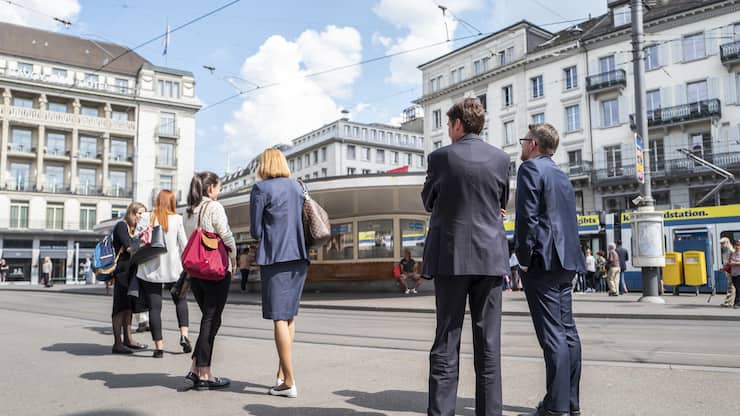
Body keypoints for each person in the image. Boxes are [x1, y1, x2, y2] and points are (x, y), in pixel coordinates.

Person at [422, 98, 510, 416]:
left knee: (446, 339)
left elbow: (428, 200)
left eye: (448, 124)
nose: (447, 130)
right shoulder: (501, 159)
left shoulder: (440, 158)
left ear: (458, 123)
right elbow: (501, 202)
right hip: (490, 259)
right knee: (488, 344)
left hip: (452, 258)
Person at [514, 123, 584, 416]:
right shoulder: (560, 173)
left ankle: (556, 407)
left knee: (552, 334)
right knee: (567, 331)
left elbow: (527, 219)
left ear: (533, 144)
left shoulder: (530, 169)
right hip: (567, 261)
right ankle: (569, 402)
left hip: (542, 261)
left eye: (523, 140)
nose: (521, 145)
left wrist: (523, 258)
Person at [250, 148, 310, 398]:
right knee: (289, 317)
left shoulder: (260, 189)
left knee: (278, 318)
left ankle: (289, 383)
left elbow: (255, 230)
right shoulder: (297, 187)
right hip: (299, 257)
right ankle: (282, 374)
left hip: (275, 257)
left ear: (264, 165)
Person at [184, 171, 237, 390]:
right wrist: (233, 254)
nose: (220, 190)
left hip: (196, 273)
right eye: (219, 187)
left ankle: (196, 368)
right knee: (211, 319)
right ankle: (204, 374)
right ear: (210, 188)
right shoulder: (214, 207)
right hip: (215, 270)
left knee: (210, 319)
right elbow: (225, 235)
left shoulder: (188, 212)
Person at [136, 190, 191, 358]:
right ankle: (184, 335)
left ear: (157, 201)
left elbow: (137, 241)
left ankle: (159, 347)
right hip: (174, 269)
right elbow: (184, 245)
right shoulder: (177, 219)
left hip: (151, 270)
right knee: (180, 301)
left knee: (154, 308)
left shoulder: (146, 217)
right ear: (172, 202)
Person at [111, 202, 148, 354]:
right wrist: (145, 242)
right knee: (119, 307)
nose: (141, 216)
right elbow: (129, 247)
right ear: (132, 213)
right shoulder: (122, 226)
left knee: (129, 308)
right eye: (139, 213)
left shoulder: (134, 228)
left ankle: (128, 339)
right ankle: (117, 343)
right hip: (122, 271)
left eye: (143, 214)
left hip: (131, 271)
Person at [720, 237, 735, 308]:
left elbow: (731, 262)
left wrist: (725, 267)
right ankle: (729, 302)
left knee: (730, 286)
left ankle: (728, 303)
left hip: (731, 271)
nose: (721, 245)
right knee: (731, 286)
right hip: (728, 270)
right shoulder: (725, 250)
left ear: (727, 243)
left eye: (723, 243)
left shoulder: (731, 251)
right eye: (721, 243)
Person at [728, 240, 740, 310]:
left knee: (738, 289)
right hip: (734, 274)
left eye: (739, 245)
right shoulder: (732, 253)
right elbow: (729, 262)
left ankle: (737, 303)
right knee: (737, 288)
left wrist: (734, 263)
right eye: (736, 245)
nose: (738, 247)